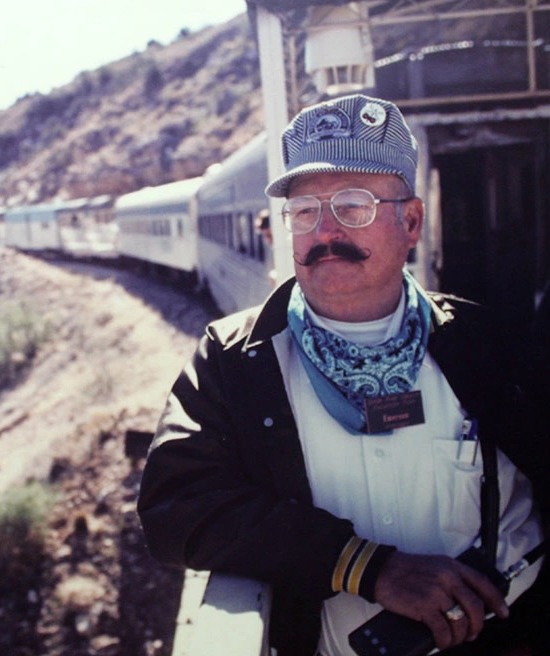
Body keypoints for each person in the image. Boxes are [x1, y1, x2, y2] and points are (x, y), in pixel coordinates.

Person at [137, 94, 549, 656]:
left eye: (353, 206)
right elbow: (175, 511)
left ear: (410, 221)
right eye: (305, 210)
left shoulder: (486, 343)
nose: (325, 231)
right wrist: (365, 567)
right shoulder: (235, 359)